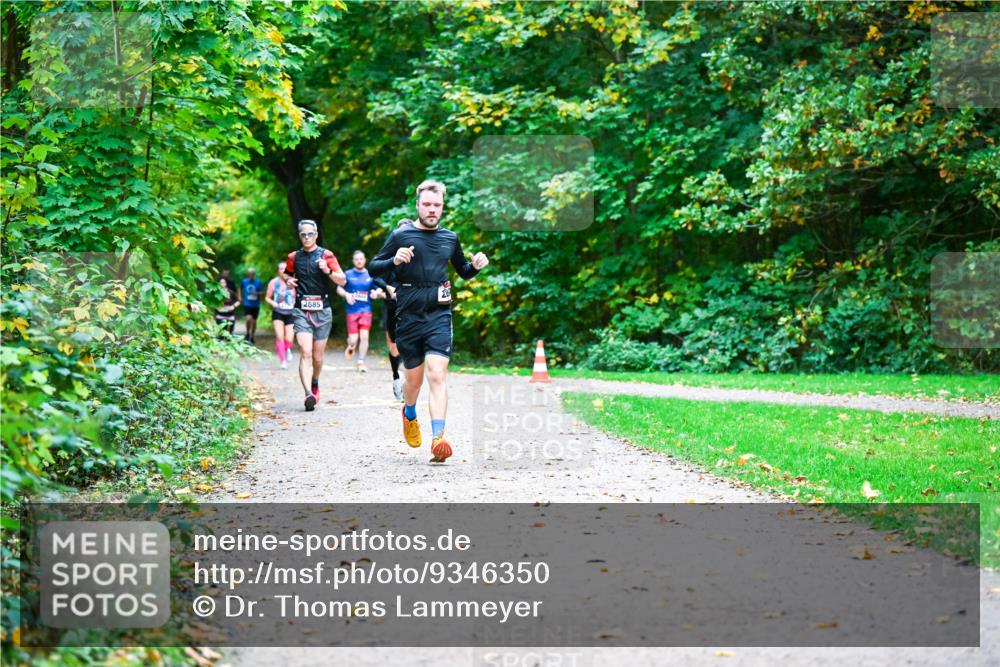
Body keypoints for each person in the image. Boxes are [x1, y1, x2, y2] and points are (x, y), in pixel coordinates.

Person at [370, 180, 489, 463]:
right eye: (427, 205)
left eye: (437, 205)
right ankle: (409, 412)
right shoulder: (401, 235)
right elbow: (375, 267)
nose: (432, 210)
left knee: (437, 373)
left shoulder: (450, 238)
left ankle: (439, 438)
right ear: (418, 205)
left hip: (439, 314)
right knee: (414, 382)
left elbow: (463, 270)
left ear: (443, 207)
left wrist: (476, 266)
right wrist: (394, 261)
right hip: (408, 316)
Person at [284, 219, 347, 411]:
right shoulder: (294, 257)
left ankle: (315, 381)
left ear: (316, 235)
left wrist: (327, 271)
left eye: (310, 234)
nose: (307, 237)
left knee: (318, 358)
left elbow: (342, 280)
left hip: (322, 311)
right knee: (305, 352)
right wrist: (288, 281)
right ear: (299, 236)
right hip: (301, 310)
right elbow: (286, 274)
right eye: (303, 234)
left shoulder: (326, 255)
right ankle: (308, 394)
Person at [336, 250, 385, 373]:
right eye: (356, 259)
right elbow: (339, 288)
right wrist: (346, 294)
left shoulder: (370, 275)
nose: (359, 261)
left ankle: (361, 361)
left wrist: (377, 292)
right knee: (353, 339)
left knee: (364, 336)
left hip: (366, 310)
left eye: (361, 259)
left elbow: (379, 287)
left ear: (365, 260)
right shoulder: (348, 274)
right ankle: (351, 345)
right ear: (353, 261)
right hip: (352, 311)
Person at [265, 261, 297, 369]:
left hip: (290, 313)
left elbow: (299, 296)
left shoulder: (294, 282)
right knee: (279, 336)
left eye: (285, 268)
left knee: (289, 339)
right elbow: (267, 297)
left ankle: (287, 349)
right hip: (278, 312)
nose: (283, 271)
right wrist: (273, 303)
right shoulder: (273, 282)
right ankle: (283, 361)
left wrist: (295, 303)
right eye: (281, 269)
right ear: (278, 271)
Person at [241, 267, 264, 344]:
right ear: (247, 274)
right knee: (248, 319)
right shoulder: (244, 281)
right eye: (249, 274)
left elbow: (262, 293)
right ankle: (247, 333)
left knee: (254, 321)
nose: (251, 276)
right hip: (247, 303)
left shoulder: (258, 282)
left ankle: (252, 336)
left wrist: (257, 293)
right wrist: (240, 297)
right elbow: (240, 289)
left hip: (255, 304)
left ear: (254, 275)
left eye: (252, 275)